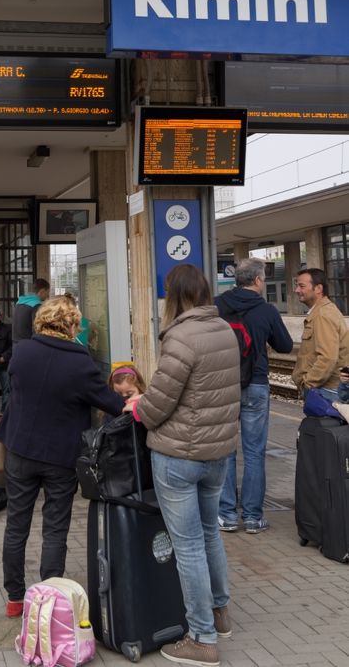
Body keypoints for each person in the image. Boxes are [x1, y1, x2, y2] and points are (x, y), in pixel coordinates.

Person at [127, 264, 239, 667]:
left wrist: (138, 407)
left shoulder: (180, 337)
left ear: (173, 296)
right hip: (218, 454)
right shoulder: (223, 330)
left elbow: (158, 405)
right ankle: (221, 612)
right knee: (211, 535)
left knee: (187, 545)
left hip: (178, 458)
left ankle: (202, 638)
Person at [0, 295, 123, 618]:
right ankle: (48, 599)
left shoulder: (22, 352)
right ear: (72, 325)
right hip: (59, 457)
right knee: (55, 528)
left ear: (41, 321)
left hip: (20, 450)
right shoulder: (81, 362)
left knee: (16, 525)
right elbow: (110, 403)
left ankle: (14, 598)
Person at [215, 257, 294, 535]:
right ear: (258, 281)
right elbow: (284, 346)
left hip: (224, 385)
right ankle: (252, 517)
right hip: (256, 385)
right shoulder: (266, 310)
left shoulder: (218, 305)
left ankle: (225, 515)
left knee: (224, 451)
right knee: (254, 452)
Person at [292, 268, 349, 402]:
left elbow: (327, 357)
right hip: (327, 389)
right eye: (296, 286)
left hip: (326, 390)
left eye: (301, 286)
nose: (297, 290)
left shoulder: (323, 315)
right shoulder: (321, 312)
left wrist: (308, 384)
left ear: (318, 288)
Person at [12, 278, 50, 344]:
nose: (48, 296)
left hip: (16, 344)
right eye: (47, 292)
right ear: (42, 291)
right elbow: (37, 329)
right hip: (28, 345)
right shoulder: (36, 305)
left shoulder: (19, 302)